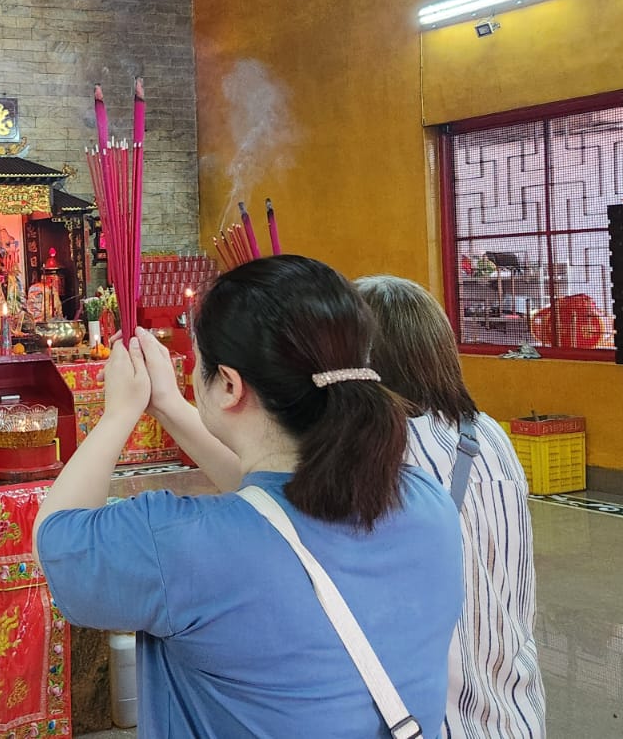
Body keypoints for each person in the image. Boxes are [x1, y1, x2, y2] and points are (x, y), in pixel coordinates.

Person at [34, 255, 463, 737]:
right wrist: (171, 406)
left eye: (198, 363)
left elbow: (57, 539)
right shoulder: (428, 502)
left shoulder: (179, 547)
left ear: (230, 384)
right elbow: (269, 500)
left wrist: (118, 415)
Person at [355, 275, 546, 738]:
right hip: (512, 709)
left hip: (434, 719)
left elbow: (266, 495)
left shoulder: (381, 452)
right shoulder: (488, 434)